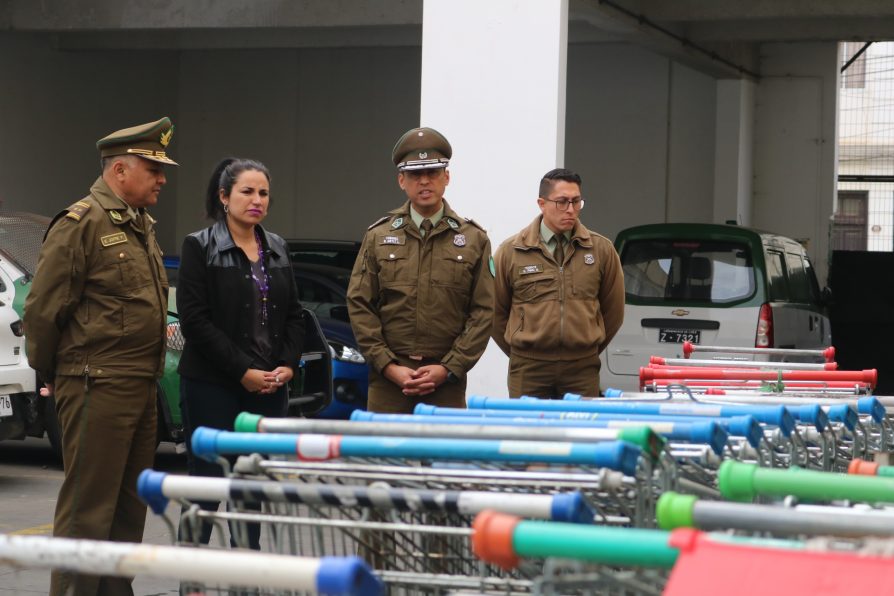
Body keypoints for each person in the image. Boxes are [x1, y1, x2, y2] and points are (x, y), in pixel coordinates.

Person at [24, 117, 177, 596]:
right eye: (153, 168)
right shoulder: (80, 224)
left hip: (139, 384)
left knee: (128, 511)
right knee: (87, 511)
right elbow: (43, 312)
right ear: (119, 171)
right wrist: (57, 374)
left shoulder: (138, 225)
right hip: (96, 384)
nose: (162, 178)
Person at [176, 157, 304, 549]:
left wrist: (286, 364)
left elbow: (296, 315)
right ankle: (192, 579)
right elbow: (195, 321)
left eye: (263, 192)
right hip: (212, 385)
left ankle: (246, 576)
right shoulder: (200, 246)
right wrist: (243, 370)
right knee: (207, 486)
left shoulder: (278, 247)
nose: (257, 200)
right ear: (224, 196)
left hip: (268, 388)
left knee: (251, 488)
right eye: (247, 191)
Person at [347, 127, 494, 413]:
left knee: (442, 457)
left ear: (447, 177)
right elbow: (359, 304)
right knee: (387, 457)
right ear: (402, 180)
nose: (424, 181)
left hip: (446, 383)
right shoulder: (378, 236)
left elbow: (483, 312)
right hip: (389, 382)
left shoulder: (474, 239)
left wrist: (449, 367)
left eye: (433, 172)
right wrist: (388, 366)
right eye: (415, 174)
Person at [492, 168, 625, 398]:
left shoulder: (600, 250)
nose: (571, 210)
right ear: (541, 203)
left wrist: (586, 347)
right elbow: (494, 312)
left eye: (576, 201)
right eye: (562, 202)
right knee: (530, 432)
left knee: (580, 432)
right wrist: (521, 352)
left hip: (581, 369)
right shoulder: (511, 251)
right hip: (528, 369)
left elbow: (614, 312)